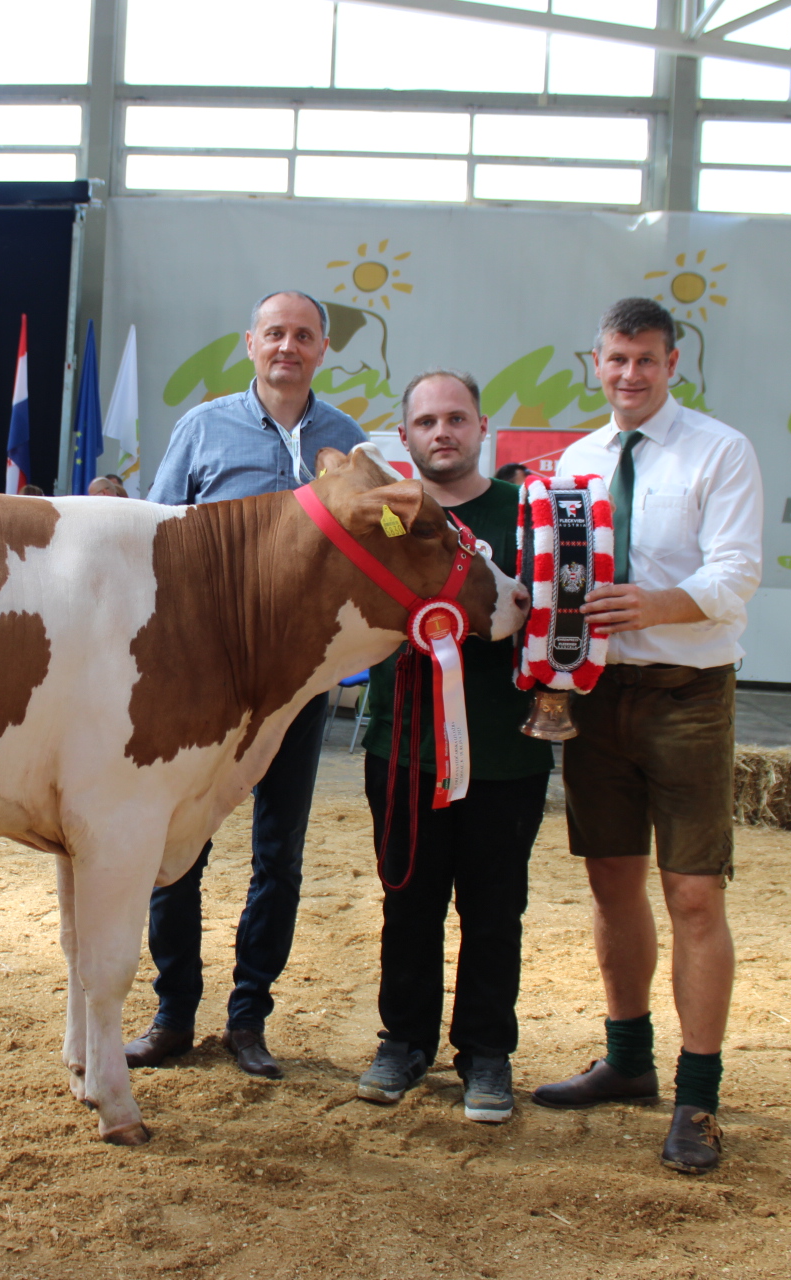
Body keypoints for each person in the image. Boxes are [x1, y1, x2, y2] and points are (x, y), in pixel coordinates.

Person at [536, 298, 762, 1176]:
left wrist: (653, 605)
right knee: (610, 883)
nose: (630, 375)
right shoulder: (574, 460)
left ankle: (697, 1097)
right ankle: (628, 1061)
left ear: (674, 364)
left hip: (690, 693)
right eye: (616, 359)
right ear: (595, 361)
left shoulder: (721, 449)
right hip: (595, 692)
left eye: (647, 360)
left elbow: (736, 572)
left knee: (696, 897)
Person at [129, 289, 366, 1079]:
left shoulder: (352, 446)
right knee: (178, 846)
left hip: (298, 687)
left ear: (322, 349)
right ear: (250, 344)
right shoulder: (202, 428)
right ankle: (172, 1014)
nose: (287, 347)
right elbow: (158, 539)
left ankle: (248, 1018)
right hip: (206, 688)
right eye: (275, 334)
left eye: (303, 336)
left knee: (280, 854)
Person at [354, 371, 552, 1123]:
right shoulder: (389, 517)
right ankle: (402, 1042)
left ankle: (486, 1054)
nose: (444, 432)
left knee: (495, 908)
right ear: (404, 436)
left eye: (457, 419)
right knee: (408, 901)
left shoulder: (528, 513)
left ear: (482, 428)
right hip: (403, 746)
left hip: (506, 743)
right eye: (428, 421)